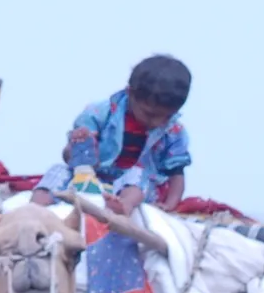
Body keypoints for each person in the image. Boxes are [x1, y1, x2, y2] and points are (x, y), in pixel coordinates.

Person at [59, 53, 196, 211]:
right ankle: (38, 206)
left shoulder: (174, 133)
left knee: (137, 173)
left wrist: (170, 204)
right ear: (129, 93)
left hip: (138, 188)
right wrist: (77, 145)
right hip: (91, 177)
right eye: (149, 114)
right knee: (57, 172)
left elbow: (176, 173)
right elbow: (68, 157)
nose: (157, 122)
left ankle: (123, 206)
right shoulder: (99, 114)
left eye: (167, 116)